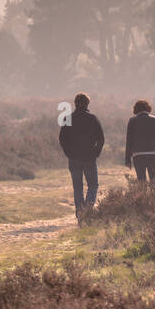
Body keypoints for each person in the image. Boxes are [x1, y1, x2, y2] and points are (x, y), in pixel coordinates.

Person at [59, 92, 104, 221]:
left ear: (75, 103)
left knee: (77, 186)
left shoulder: (67, 118)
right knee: (93, 185)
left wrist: (68, 153)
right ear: (87, 103)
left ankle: (80, 212)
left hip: (73, 158)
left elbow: (62, 138)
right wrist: (96, 153)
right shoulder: (93, 118)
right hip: (89, 157)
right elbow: (101, 139)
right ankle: (88, 211)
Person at [124, 99, 155, 183]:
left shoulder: (132, 121)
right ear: (148, 108)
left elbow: (129, 141)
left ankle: (142, 196)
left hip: (138, 155)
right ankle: (154, 196)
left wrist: (127, 160)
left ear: (136, 109)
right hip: (153, 155)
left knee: (141, 182)